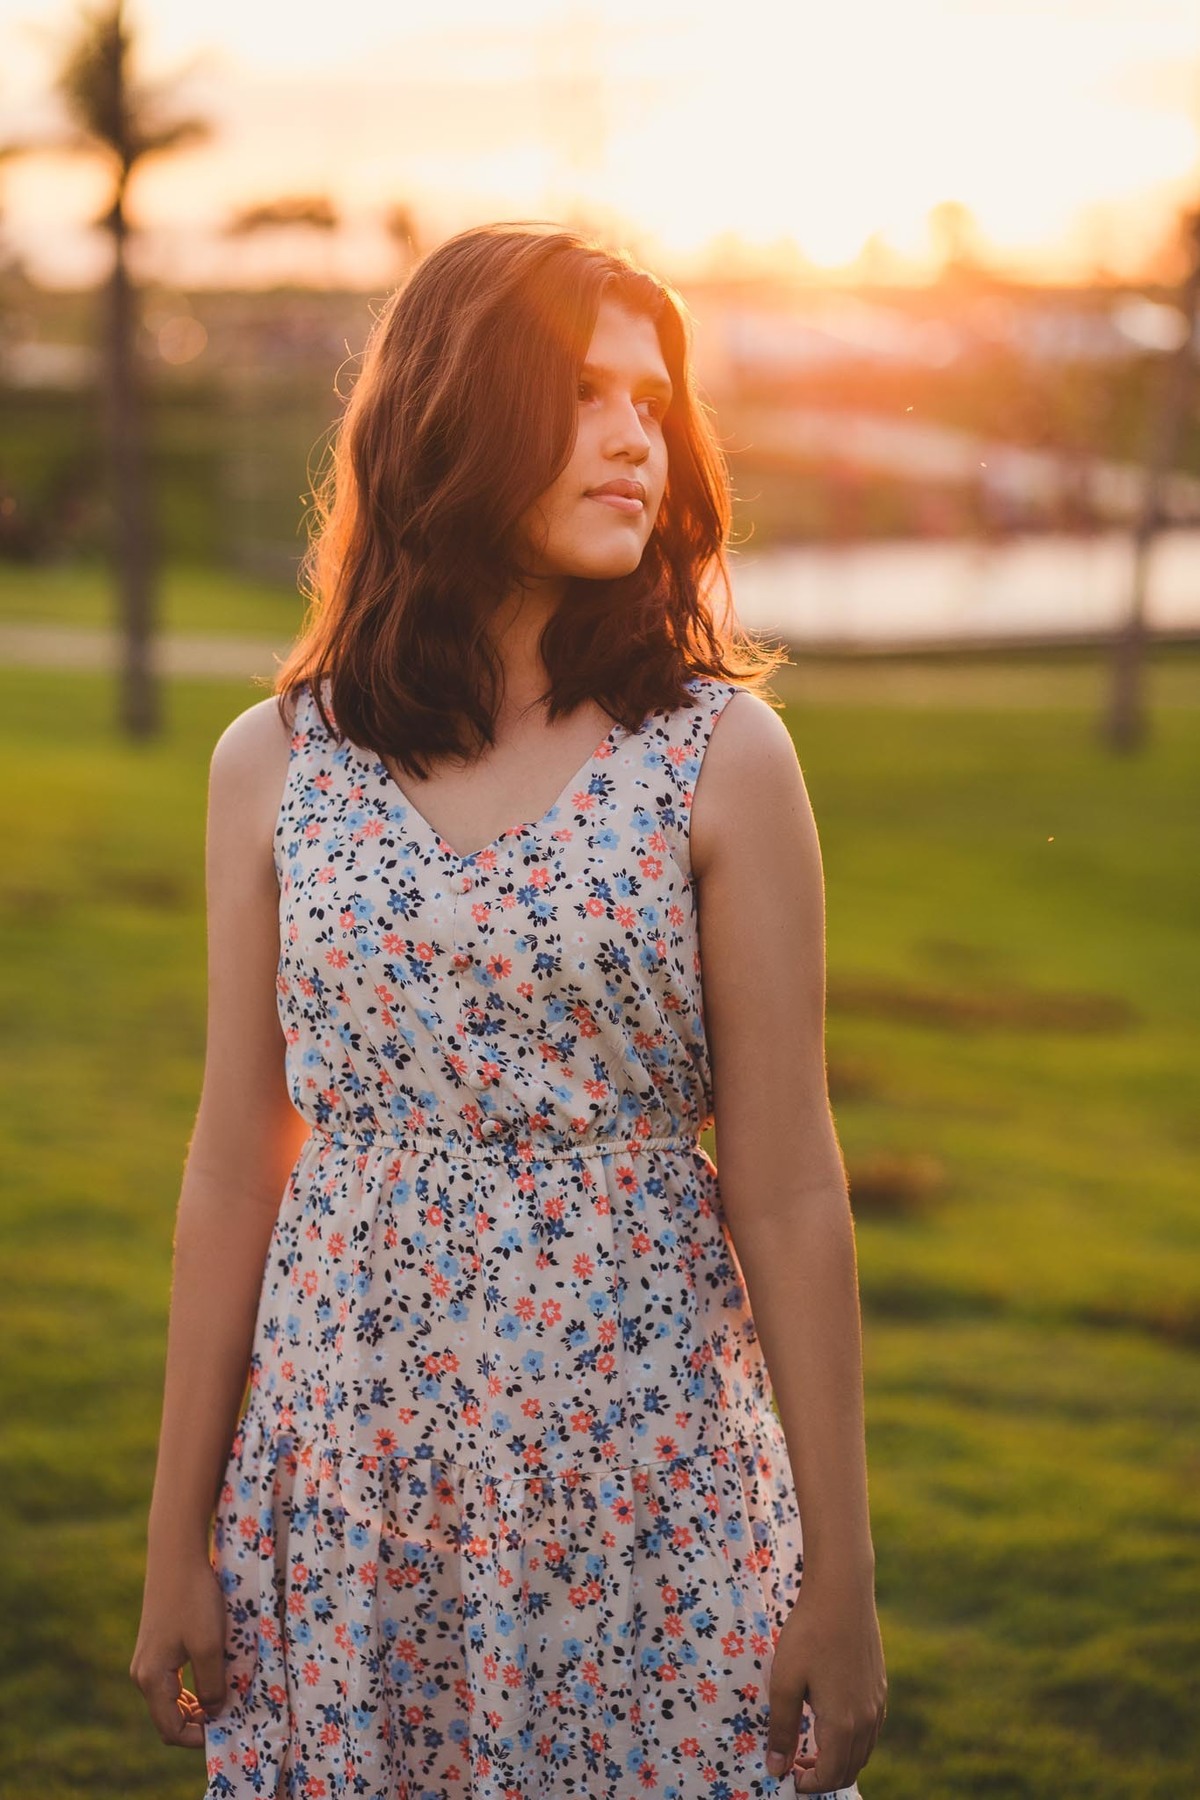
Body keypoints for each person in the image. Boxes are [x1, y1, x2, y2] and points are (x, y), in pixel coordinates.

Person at [131, 221, 886, 1799]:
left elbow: (792, 1183)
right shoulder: (273, 765)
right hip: (351, 1480)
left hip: (644, 1479)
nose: (636, 438)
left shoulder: (718, 756)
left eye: (653, 402)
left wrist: (842, 1570)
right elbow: (232, 1166)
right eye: (586, 394)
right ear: (458, 413)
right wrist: (173, 1535)